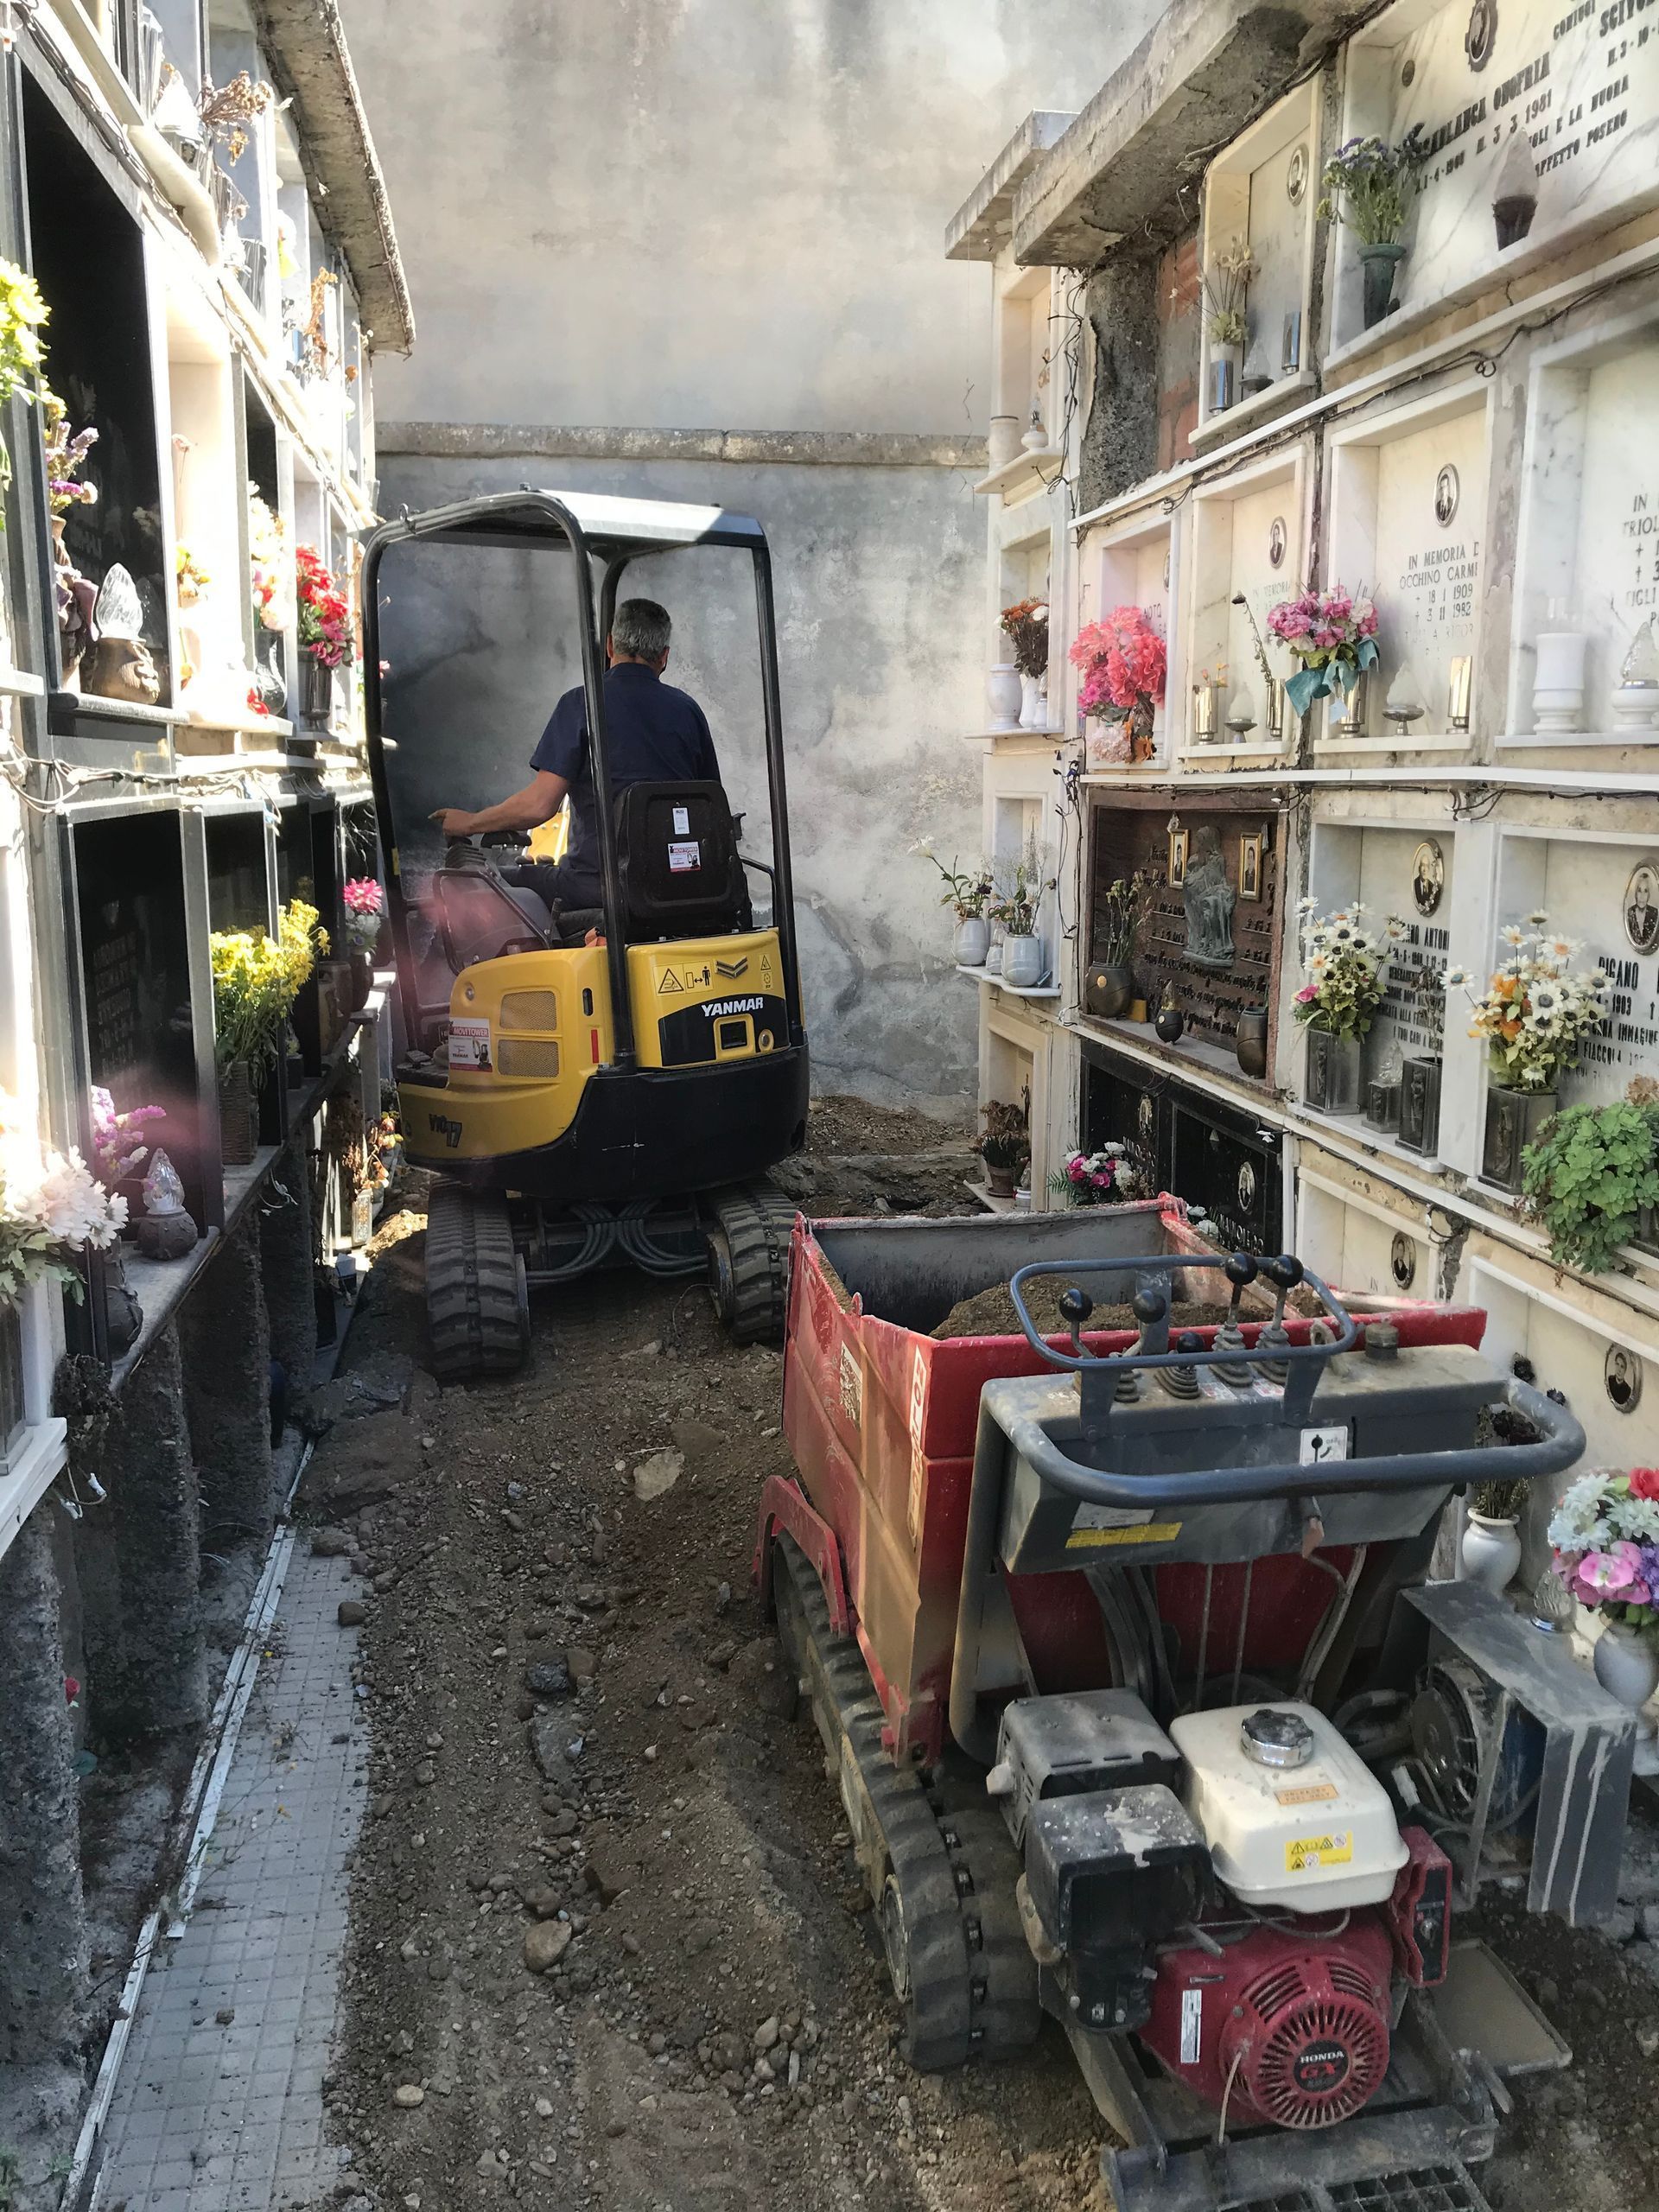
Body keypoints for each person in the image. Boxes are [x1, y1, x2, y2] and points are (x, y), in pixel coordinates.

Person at [430, 598, 720, 912]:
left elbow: (540, 805)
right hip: (681, 886)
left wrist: (471, 822)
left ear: (609, 646)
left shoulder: (582, 704)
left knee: (485, 886)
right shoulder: (689, 712)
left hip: (597, 886)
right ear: (664, 657)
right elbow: (712, 806)